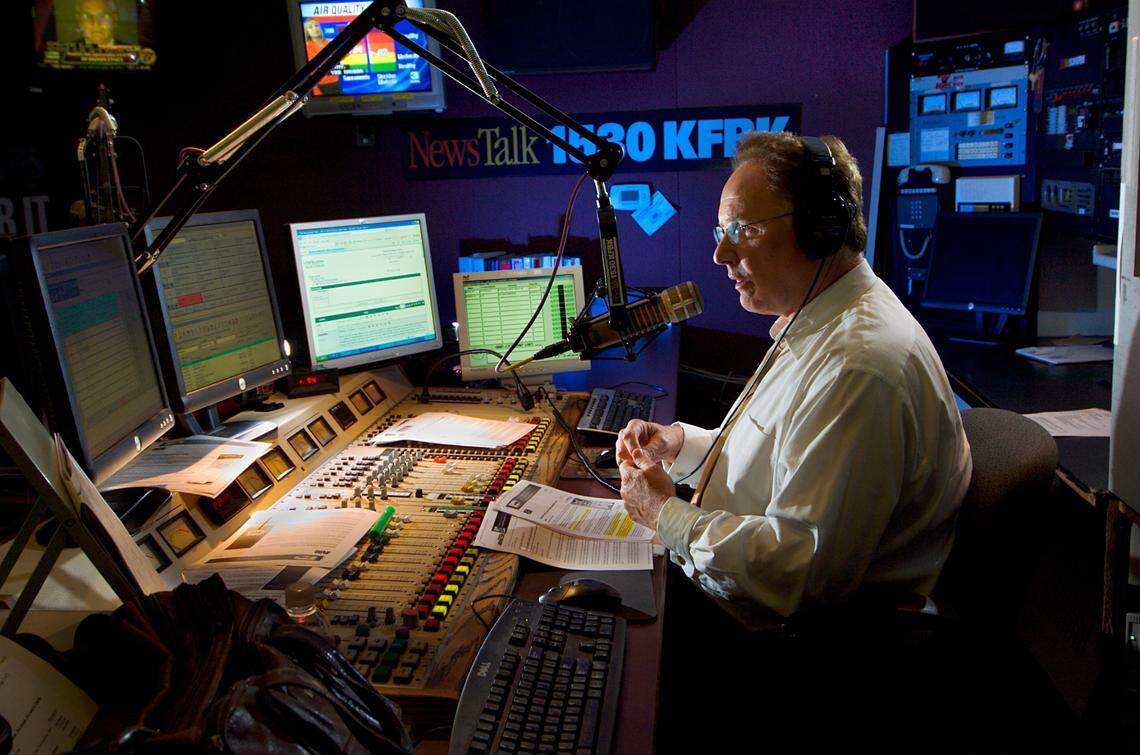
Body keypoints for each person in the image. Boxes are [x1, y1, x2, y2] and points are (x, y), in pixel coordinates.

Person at [616, 131, 972, 620]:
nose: (721, 255)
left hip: (795, 648)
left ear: (820, 228)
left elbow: (796, 570)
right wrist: (679, 447)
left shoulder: (856, 368)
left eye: (741, 230)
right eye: (720, 233)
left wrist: (663, 514)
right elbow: (774, 462)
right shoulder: (818, 319)